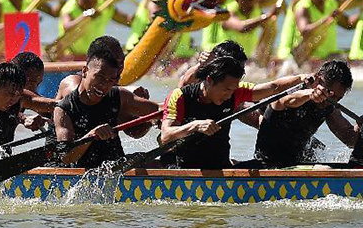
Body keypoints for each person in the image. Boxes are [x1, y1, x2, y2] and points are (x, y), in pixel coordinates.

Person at [161, 57, 309, 169]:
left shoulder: (234, 91)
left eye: (233, 90)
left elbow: (273, 87)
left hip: (222, 166)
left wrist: (301, 78)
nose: (230, 95)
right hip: (188, 170)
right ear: (209, 80)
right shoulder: (179, 96)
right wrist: (194, 126)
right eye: (226, 90)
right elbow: (165, 136)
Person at [55, 46, 159, 169]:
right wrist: (91, 135)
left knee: (160, 163)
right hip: (84, 174)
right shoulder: (63, 109)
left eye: (110, 80)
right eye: (99, 76)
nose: (104, 85)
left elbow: (159, 110)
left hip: (116, 167)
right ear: (84, 71)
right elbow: (66, 157)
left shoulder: (118, 95)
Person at [254, 60, 357, 166]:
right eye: (330, 94)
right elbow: (282, 100)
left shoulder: (330, 106)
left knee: (318, 150)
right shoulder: (296, 86)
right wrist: (310, 94)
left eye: (338, 98)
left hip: (295, 162)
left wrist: (360, 127)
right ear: (318, 80)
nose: (333, 101)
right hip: (267, 162)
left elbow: (350, 139)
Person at [277, 0, 360, 60]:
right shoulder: (303, 7)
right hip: (310, 57)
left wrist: (360, 14)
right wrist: (325, 20)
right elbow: (305, 31)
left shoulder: (331, 2)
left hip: (330, 55)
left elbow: (348, 24)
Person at [57, 0, 132, 58]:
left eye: (94, 0)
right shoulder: (70, 8)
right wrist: (84, 16)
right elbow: (66, 27)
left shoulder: (103, 4)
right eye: (87, 1)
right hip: (70, 56)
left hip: (93, 56)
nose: (91, 3)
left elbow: (128, 21)